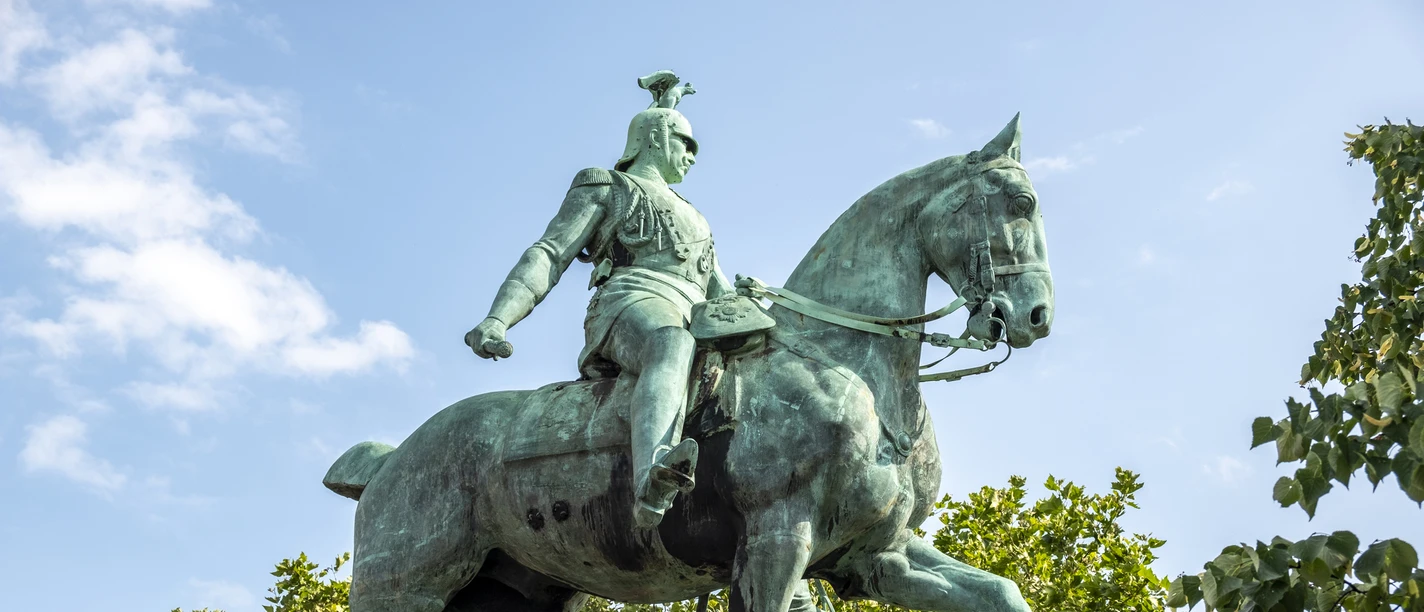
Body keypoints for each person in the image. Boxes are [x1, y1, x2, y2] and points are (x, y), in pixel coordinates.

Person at [465, 87, 734, 528]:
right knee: (670, 342)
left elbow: (719, 290)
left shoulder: (697, 217)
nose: (692, 156)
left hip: (695, 314)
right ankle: (653, 473)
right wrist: (498, 318)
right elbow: (550, 253)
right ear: (655, 137)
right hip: (629, 301)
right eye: (687, 143)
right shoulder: (607, 185)